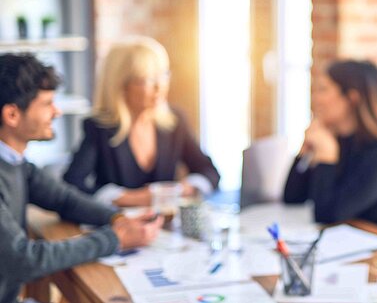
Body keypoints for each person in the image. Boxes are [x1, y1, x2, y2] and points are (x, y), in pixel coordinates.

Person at [0, 53, 163, 303]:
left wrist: (118, 219)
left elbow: (63, 198)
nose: (57, 111)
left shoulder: (15, 163)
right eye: (47, 104)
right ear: (12, 115)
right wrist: (114, 238)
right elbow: (25, 260)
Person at [64, 36, 220, 207]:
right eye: (147, 79)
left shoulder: (175, 121)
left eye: (163, 74)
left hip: (166, 226)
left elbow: (209, 172)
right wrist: (128, 198)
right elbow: (71, 185)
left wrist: (185, 188)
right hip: (121, 225)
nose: (160, 86)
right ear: (121, 85)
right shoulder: (98, 127)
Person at [283, 60, 377, 233]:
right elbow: (292, 198)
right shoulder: (335, 140)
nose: (315, 98)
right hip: (345, 244)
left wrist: (327, 158)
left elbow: (327, 216)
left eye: (323, 90)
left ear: (352, 98)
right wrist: (304, 152)